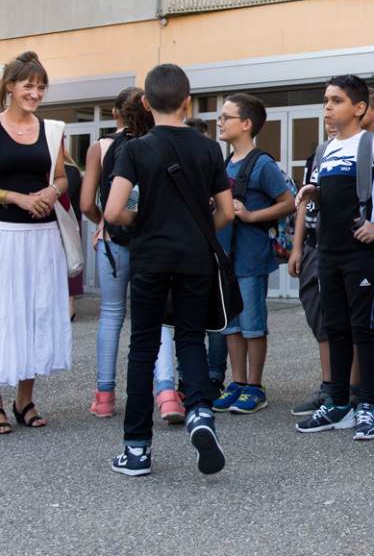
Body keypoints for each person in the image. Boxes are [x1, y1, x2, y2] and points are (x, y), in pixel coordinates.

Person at [104, 63, 234, 476]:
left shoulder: (134, 150)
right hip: (195, 259)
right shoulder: (208, 148)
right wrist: (196, 231)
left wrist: (143, 219)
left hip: (150, 260)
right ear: (187, 102)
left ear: (145, 102)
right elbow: (227, 211)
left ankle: (138, 450)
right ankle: (199, 414)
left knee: (143, 347)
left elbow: (113, 211)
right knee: (191, 340)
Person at [293, 75, 374, 440]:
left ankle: (367, 404)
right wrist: (315, 193)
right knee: (335, 327)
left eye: (336, 100)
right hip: (328, 251)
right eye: (326, 99)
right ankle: (338, 402)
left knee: (364, 329)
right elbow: (333, 196)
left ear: (359, 109)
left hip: (361, 252)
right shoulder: (324, 150)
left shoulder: (373, 145)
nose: (327, 106)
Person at [80, 87, 182, 421]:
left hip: (112, 243)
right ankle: (167, 393)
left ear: (116, 113)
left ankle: (105, 396)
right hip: (151, 242)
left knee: (110, 315)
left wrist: (104, 224)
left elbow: (86, 204)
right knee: (158, 318)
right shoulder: (160, 142)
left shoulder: (101, 147)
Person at [0, 51, 72, 433]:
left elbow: (62, 178)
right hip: (4, 235)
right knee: (3, 314)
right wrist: (17, 197)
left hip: (43, 236)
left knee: (36, 313)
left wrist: (49, 192)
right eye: (28, 85)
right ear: (10, 86)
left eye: (41, 87)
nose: (36, 93)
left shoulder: (52, 129)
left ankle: (24, 400)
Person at [212, 94, 295, 415]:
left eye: (225, 117)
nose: (219, 122)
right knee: (231, 325)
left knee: (252, 324)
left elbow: (288, 202)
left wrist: (249, 216)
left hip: (250, 257)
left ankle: (254, 386)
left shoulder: (261, 164)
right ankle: (237, 382)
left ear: (246, 125)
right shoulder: (223, 164)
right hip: (225, 259)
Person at [288, 124, 338, 417]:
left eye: (337, 104)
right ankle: (328, 386)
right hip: (313, 245)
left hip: (344, 246)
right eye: (326, 106)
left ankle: (351, 390)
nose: (329, 113)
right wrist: (297, 247)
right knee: (319, 317)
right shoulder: (317, 155)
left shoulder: (369, 148)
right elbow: (304, 203)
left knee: (345, 321)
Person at [62, 140, 83, 322]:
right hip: (51, 222)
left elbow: (66, 197)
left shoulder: (71, 170)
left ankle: (70, 305)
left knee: (71, 261)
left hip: (69, 222)